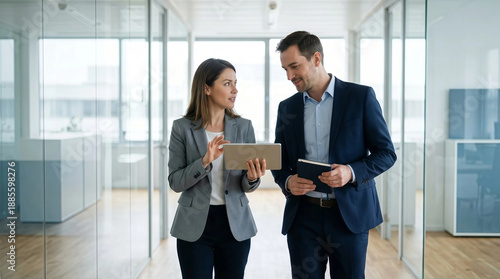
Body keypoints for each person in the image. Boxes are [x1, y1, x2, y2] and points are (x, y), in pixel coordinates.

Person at [271, 31, 397, 278]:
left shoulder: (360, 97)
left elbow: (386, 153)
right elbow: (279, 160)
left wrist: (351, 172)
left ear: (316, 58)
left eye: (294, 67)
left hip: (348, 216)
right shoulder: (287, 107)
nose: (289, 76)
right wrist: (287, 181)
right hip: (303, 216)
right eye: (285, 69)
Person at [168, 58, 266, 279]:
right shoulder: (182, 128)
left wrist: (252, 178)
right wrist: (204, 161)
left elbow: (246, 185)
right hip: (194, 226)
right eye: (227, 83)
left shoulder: (244, 127)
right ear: (206, 88)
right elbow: (175, 182)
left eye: (235, 83)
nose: (235, 90)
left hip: (234, 225)